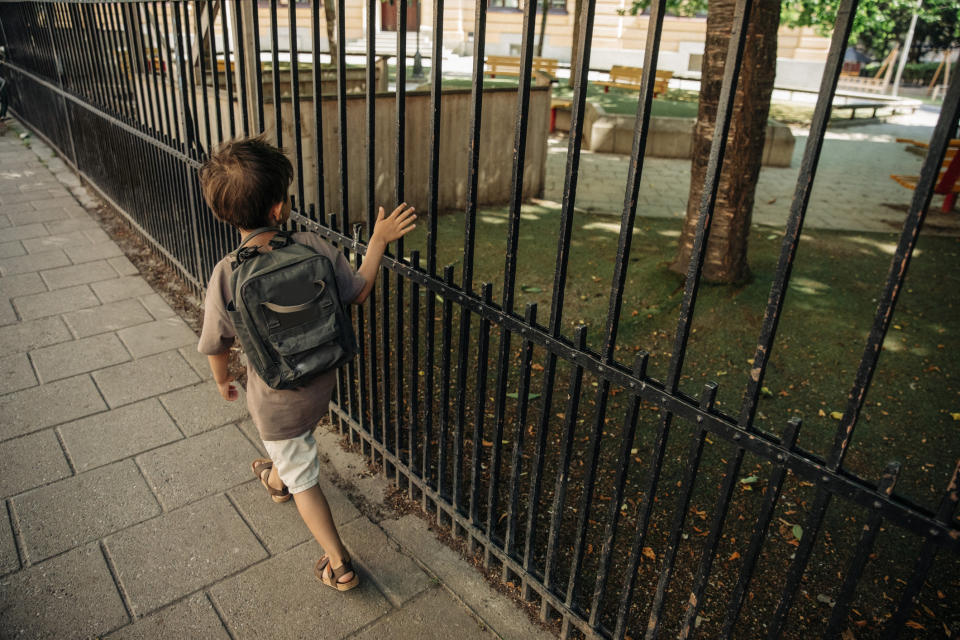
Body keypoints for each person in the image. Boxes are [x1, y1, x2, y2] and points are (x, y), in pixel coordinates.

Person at [197, 135, 416, 591]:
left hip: (278, 402)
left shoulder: (227, 274)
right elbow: (358, 290)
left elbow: (216, 344)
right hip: (322, 380)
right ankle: (276, 479)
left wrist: (223, 382)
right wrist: (376, 240)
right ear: (280, 208)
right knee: (292, 449)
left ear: (224, 213)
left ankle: (338, 562)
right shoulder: (313, 246)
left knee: (305, 477)